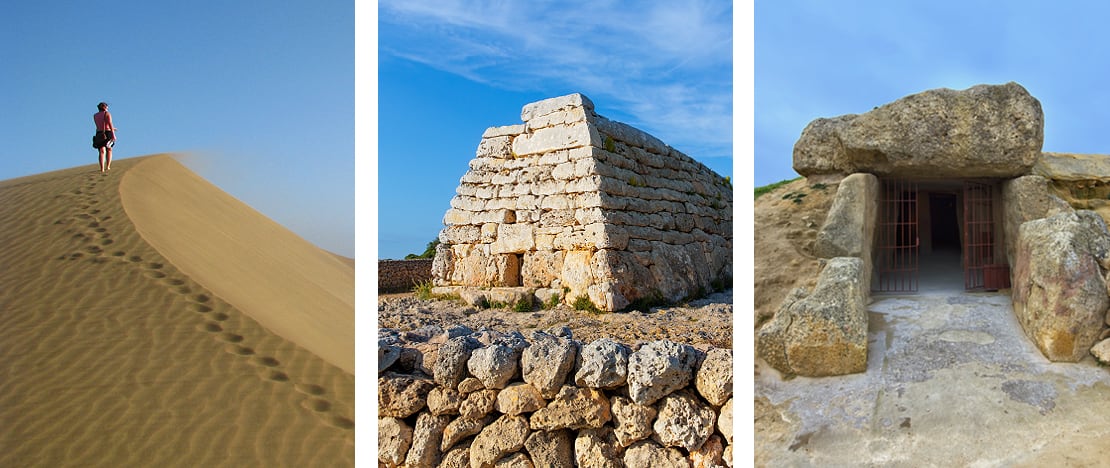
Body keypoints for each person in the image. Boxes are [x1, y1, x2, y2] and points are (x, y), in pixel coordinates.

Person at [93, 102, 116, 173]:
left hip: (99, 133)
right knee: (109, 149)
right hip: (108, 133)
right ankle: (108, 166)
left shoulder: (95, 115)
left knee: (101, 151)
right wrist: (113, 134)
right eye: (106, 106)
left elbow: (98, 126)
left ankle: (102, 168)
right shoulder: (107, 114)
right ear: (104, 107)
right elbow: (110, 124)